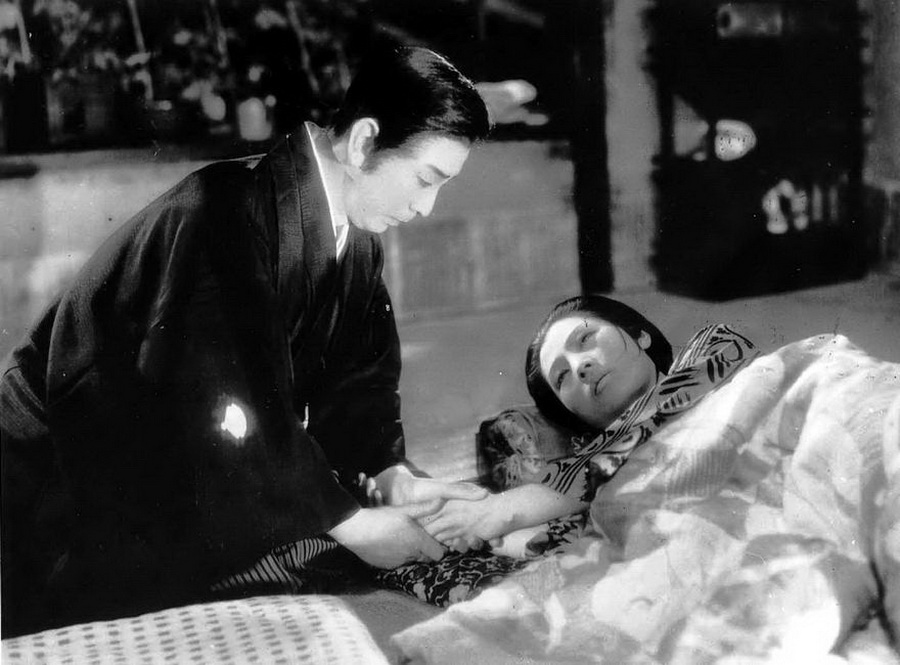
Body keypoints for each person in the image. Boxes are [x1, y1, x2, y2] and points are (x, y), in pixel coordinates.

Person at [0, 45, 491, 637]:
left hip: (155, 479)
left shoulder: (357, 243)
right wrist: (351, 524)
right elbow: (224, 401)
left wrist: (388, 473)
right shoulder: (220, 211)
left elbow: (359, 383)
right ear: (364, 142)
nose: (426, 207)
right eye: (425, 179)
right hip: (54, 480)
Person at [419, 294, 755, 550]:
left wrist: (507, 511)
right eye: (562, 376)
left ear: (640, 336)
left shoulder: (715, 346)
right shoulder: (599, 494)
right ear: (575, 415)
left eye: (585, 339)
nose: (580, 367)